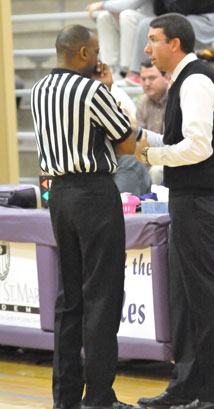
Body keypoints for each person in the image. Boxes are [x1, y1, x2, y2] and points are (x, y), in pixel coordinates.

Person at [135, 13, 214, 409]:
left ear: (174, 44)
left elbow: (199, 148)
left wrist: (147, 152)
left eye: (153, 40)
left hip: (200, 199)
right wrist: (142, 139)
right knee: (184, 296)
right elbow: (184, 140)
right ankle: (187, 384)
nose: (147, 49)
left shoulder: (196, 79)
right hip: (188, 199)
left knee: (206, 297)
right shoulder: (186, 79)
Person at [31, 24, 137, 409]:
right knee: (102, 297)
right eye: (94, 51)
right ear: (81, 54)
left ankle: (65, 398)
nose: (98, 58)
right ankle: (99, 398)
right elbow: (126, 144)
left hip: (57, 195)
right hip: (94, 192)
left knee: (69, 298)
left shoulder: (39, 90)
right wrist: (108, 91)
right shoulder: (92, 90)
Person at [126, 0, 214, 85]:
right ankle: (139, 71)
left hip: (209, 22)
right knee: (147, 24)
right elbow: (160, 13)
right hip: (187, 19)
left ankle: (163, 72)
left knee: (170, 28)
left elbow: (181, 10)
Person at [85, 0, 154, 79]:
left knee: (127, 15)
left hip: (151, 18)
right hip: (130, 17)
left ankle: (130, 70)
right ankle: (111, 69)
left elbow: (131, 4)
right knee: (104, 17)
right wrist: (115, 8)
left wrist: (103, 4)